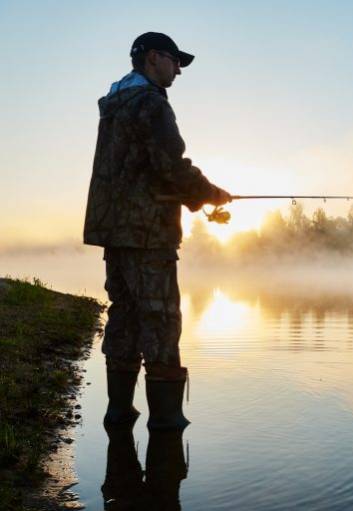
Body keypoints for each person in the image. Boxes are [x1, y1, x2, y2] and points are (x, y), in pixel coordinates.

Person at [84, 32, 231, 430]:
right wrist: (212, 194)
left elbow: (139, 169)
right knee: (162, 319)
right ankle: (167, 423)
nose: (179, 69)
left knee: (125, 315)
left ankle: (119, 412)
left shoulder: (114, 105)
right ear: (153, 58)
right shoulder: (150, 103)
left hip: (114, 229)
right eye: (174, 60)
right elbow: (171, 166)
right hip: (148, 232)